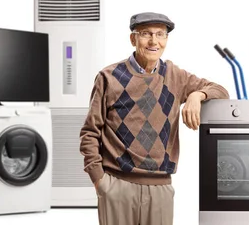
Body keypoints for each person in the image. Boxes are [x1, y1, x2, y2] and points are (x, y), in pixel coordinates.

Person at [79, 12, 230, 225]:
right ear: (133, 39)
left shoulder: (175, 76)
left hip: (161, 188)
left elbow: (221, 91)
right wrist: (100, 181)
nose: (154, 41)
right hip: (117, 184)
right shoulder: (109, 77)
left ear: (166, 40)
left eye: (160, 34)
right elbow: (90, 132)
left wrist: (197, 95)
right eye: (146, 34)